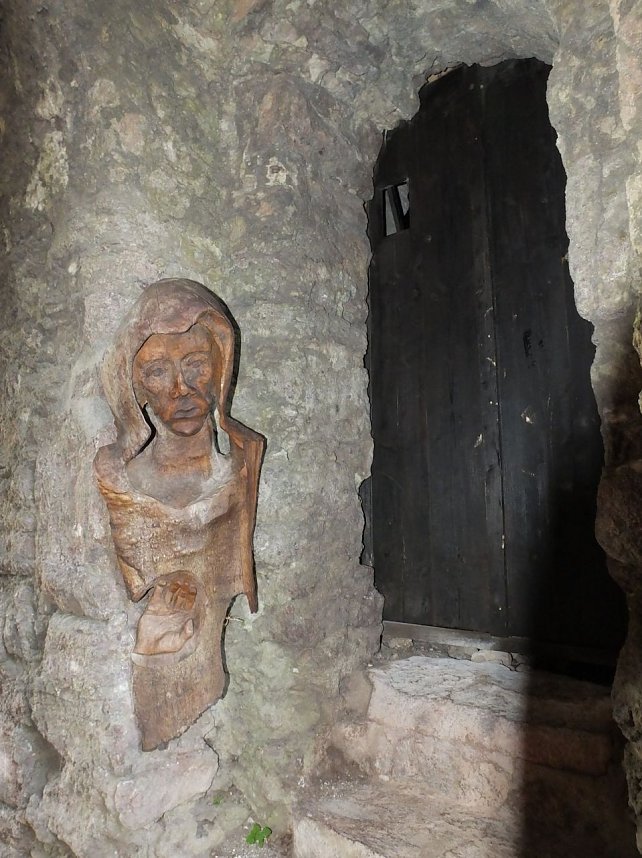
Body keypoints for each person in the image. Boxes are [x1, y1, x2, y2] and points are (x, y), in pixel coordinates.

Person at [94, 278, 264, 749]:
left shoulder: (239, 471)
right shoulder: (117, 478)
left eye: (196, 364)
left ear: (221, 369)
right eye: (156, 372)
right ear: (134, 388)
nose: (181, 389)